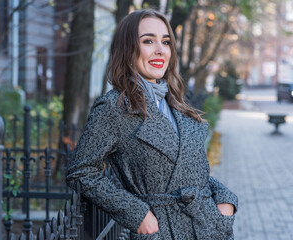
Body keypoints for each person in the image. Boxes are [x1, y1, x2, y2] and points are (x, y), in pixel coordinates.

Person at [66, 9, 238, 240]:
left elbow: (188, 173)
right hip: (162, 231)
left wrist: (225, 200)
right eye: (148, 41)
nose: (160, 50)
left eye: (165, 42)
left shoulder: (175, 103)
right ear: (127, 49)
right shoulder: (114, 107)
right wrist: (137, 214)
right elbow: (80, 171)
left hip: (206, 227)